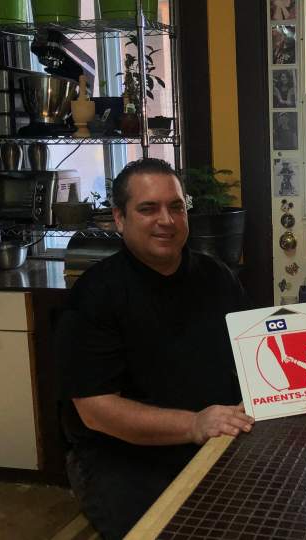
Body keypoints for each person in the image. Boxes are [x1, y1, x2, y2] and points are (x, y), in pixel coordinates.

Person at [55, 158, 254, 539]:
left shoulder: (217, 277)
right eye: (148, 209)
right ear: (119, 218)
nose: (167, 220)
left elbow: (253, 351)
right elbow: (96, 411)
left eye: (176, 207)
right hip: (121, 453)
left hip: (212, 433)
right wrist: (193, 424)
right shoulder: (95, 295)